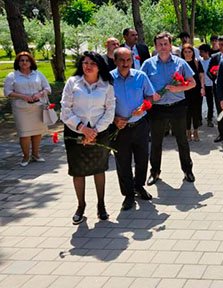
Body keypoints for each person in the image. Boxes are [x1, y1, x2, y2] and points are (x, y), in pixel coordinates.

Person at [60, 51, 115, 224]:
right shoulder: (72, 82)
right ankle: (81, 206)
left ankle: (101, 205)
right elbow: (65, 109)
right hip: (75, 132)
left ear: (99, 67)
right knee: (78, 171)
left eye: (92, 63)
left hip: (99, 132)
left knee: (99, 169)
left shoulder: (106, 85)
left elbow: (109, 111)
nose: (88, 66)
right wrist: (82, 128)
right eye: (85, 63)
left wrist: (94, 131)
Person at [141, 32, 197, 185]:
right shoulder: (148, 64)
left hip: (177, 107)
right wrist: (150, 96)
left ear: (171, 45)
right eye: (160, 44)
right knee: (156, 142)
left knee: (182, 140)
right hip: (157, 108)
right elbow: (141, 86)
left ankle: (187, 170)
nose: (163, 47)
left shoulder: (180, 63)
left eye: (166, 44)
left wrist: (178, 88)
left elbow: (192, 83)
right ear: (155, 46)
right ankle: (155, 172)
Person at [110, 48, 157, 211]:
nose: (125, 64)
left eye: (128, 60)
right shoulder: (108, 79)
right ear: (115, 61)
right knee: (123, 162)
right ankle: (128, 194)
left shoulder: (140, 76)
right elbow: (102, 104)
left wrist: (144, 106)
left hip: (140, 125)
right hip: (119, 127)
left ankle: (139, 186)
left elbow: (150, 96)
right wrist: (114, 119)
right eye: (121, 60)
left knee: (142, 159)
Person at [3, 52, 52, 166]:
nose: (24, 62)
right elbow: (7, 92)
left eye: (27, 60)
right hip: (21, 109)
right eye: (22, 60)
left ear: (31, 62)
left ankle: (36, 155)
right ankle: (25, 157)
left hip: (37, 107)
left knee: (37, 132)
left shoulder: (38, 74)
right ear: (18, 62)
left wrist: (39, 94)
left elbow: (47, 88)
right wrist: (23, 96)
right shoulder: (12, 76)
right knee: (24, 133)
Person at [207, 36, 223, 142]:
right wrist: (215, 78)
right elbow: (208, 71)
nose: (219, 47)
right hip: (218, 89)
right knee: (220, 111)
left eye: (222, 45)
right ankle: (222, 133)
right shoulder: (215, 57)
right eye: (219, 44)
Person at [181, 43, 205, 142]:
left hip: (196, 90)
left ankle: (195, 131)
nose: (187, 54)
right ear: (182, 53)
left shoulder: (196, 62)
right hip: (184, 91)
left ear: (193, 52)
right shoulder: (181, 63)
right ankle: (188, 132)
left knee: (196, 111)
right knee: (186, 112)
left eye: (189, 52)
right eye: (185, 52)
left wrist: (202, 88)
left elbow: (201, 76)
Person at [199, 44, 215, 127]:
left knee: (210, 103)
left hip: (210, 85)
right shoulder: (199, 61)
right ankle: (199, 119)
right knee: (199, 103)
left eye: (202, 52)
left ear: (207, 52)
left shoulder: (212, 61)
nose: (200, 53)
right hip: (201, 85)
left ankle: (209, 119)